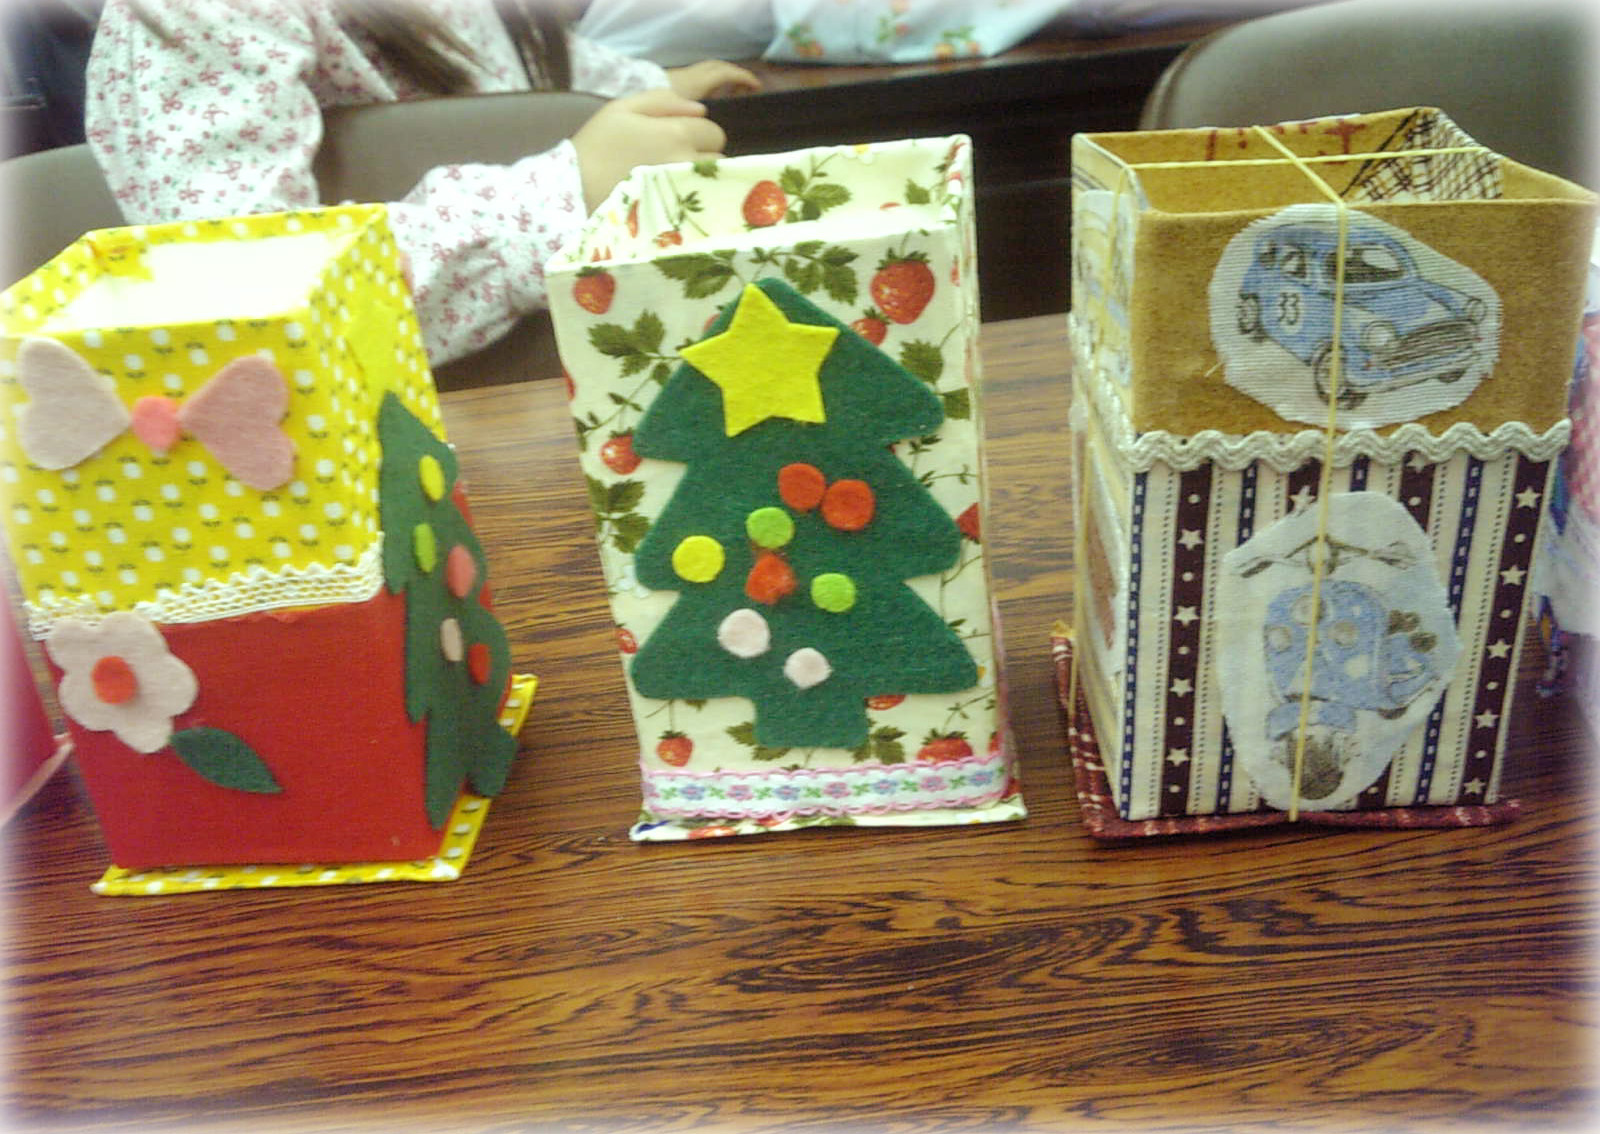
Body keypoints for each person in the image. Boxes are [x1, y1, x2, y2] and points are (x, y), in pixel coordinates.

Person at [85, 0, 760, 366]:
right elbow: (241, 288)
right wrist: (559, 195)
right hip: (402, 447)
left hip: (555, 369)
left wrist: (644, 86)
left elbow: (504, 53)